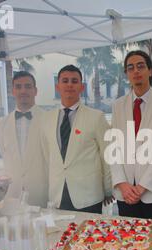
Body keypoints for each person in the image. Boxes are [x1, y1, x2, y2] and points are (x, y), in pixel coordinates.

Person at [110, 50, 152, 219]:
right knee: (128, 241)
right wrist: (122, 184)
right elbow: (114, 149)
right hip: (125, 193)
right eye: (130, 68)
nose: (136, 71)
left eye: (140, 66)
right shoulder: (118, 106)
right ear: (126, 73)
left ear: (150, 70)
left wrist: (142, 187)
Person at [40, 65, 112, 213]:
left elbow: (107, 156)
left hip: (89, 196)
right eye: (65, 81)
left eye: (74, 81)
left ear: (82, 87)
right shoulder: (46, 119)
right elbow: (47, 156)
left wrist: (108, 189)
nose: (69, 85)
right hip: (57, 195)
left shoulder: (96, 117)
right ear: (57, 86)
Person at [0, 71, 48, 207]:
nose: (23, 91)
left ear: (35, 91)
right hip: (12, 195)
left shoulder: (49, 120)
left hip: (41, 194)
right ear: (13, 91)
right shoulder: (1, 124)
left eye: (28, 86)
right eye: (18, 87)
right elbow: (4, 154)